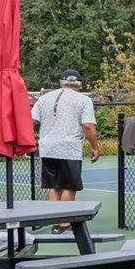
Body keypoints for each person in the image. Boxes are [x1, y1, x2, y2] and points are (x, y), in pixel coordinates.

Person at [30, 69, 100, 229]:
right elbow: (88, 125)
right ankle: (65, 223)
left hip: (47, 148)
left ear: (61, 82)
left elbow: (31, 121)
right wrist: (95, 146)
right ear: (80, 84)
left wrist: (29, 140)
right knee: (69, 186)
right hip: (70, 148)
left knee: (55, 186)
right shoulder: (83, 100)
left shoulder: (44, 98)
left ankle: (55, 221)